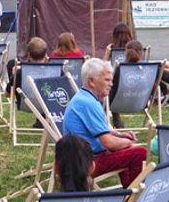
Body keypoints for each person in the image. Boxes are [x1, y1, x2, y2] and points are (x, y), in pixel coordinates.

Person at [62, 58, 148, 188]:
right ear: (91, 81)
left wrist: (120, 136)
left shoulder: (83, 98)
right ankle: (132, 195)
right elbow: (109, 143)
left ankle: (129, 189)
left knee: (126, 148)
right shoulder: (89, 103)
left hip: (79, 158)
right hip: (86, 163)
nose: (111, 84)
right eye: (107, 80)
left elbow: (101, 130)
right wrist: (129, 142)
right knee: (140, 153)